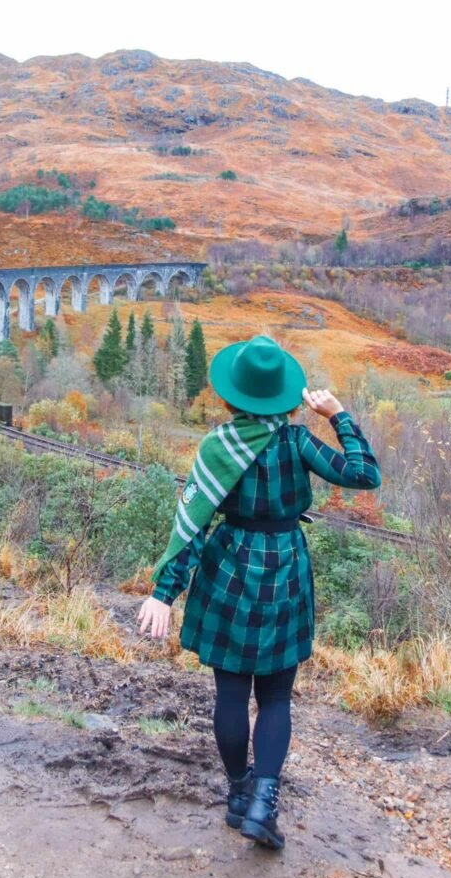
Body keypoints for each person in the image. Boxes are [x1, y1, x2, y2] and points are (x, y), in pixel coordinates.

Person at [137, 334, 381, 850]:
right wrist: (337, 415)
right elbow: (365, 474)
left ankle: (236, 796)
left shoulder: (217, 447)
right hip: (286, 567)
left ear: (231, 396)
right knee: (274, 696)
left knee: (230, 692)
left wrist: (165, 592)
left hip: (227, 567)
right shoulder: (296, 442)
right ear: (286, 397)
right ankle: (263, 805)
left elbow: (193, 525)